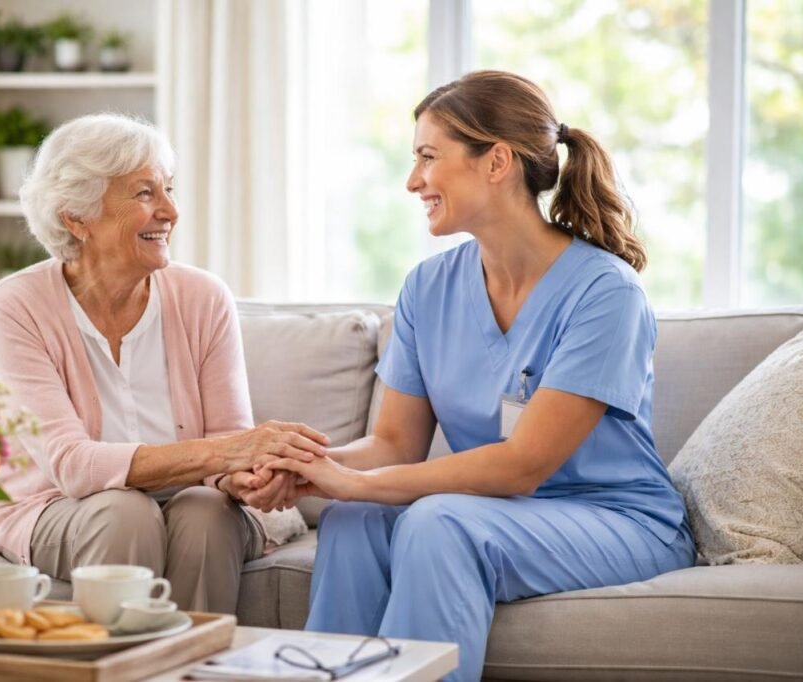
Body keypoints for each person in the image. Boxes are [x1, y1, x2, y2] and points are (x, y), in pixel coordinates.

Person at [264, 71, 696, 681]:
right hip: (493, 510)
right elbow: (393, 444)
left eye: (428, 157)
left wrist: (357, 483)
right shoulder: (428, 286)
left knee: (439, 522)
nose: (413, 181)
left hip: (614, 517)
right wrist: (312, 470)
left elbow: (524, 465)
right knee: (354, 519)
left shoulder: (605, 293)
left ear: (496, 162)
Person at [0, 113, 328, 614]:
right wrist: (229, 453)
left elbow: (230, 442)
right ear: (77, 216)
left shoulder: (203, 297)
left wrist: (246, 476)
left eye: (169, 190)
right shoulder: (17, 305)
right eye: (145, 194)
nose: (170, 211)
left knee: (208, 511)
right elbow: (72, 467)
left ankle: (192, 669)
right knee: (125, 512)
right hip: (57, 504)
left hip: (190, 499)